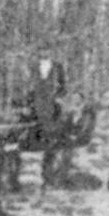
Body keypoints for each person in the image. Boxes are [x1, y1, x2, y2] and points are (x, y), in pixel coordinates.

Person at [26, 55, 67, 186]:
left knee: (52, 142)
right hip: (36, 109)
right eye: (41, 48)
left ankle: (49, 176)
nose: (44, 50)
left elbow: (63, 87)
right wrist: (29, 104)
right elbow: (28, 88)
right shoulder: (32, 67)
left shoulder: (57, 67)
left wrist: (58, 100)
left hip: (52, 109)